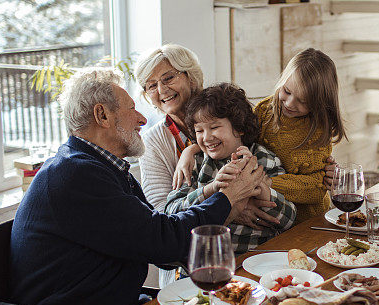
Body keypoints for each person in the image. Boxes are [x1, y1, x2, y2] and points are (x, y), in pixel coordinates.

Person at [8, 68, 265, 305]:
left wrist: (227, 205)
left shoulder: (102, 168)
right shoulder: (75, 174)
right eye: (132, 109)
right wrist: (227, 200)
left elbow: (160, 240)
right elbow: (163, 241)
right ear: (102, 115)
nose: (143, 118)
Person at [175, 48, 345, 222]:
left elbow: (316, 188)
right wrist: (191, 150)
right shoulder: (266, 109)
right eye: (286, 91)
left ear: (319, 102)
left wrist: (264, 183)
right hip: (265, 206)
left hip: (305, 218)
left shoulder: (318, 131)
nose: (289, 103)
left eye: (303, 101)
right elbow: (238, 132)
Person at [166, 83, 297, 260]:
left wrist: (261, 189)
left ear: (239, 127)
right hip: (208, 262)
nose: (206, 137)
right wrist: (211, 189)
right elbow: (171, 214)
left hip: (256, 260)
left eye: (214, 127)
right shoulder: (195, 163)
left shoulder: (263, 159)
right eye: (199, 130)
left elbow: (289, 220)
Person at [134, 44, 204, 211]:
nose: (161, 90)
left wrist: (192, 149)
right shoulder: (151, 141)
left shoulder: (225, 111)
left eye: (168, 78)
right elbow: (160, 208)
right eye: (151, 86)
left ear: (191, 78)